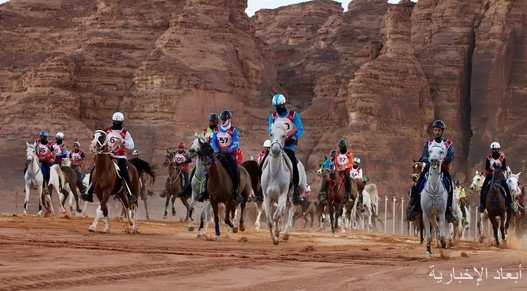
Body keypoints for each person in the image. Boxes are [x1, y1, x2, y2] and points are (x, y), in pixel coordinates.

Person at [407, 120, 456, 223]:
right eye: (435, 130)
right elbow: (424, 155)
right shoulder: (428, 143)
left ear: (442, 131)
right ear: (433, 131)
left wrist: (443, 161)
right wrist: (426, 159)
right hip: (429, 168)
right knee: (418, 183)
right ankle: (414, 207)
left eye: (439, 130)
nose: (437, 132)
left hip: (442, 168)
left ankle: (448, 211)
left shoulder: (448, 143)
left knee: (450, 186)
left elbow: (451, 155)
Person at [82, 112, 137, 204]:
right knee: (95, 170)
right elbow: (100, 141)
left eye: (118, 122)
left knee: (124, 172)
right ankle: (89, 192)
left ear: (121, 122)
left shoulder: (125, 133)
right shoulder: (107, 131)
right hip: (108, 154)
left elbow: (131, 145)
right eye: (115, 121)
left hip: (120, 156)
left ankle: (130, 194)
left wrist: (123, 141)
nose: (116, 123)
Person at [267, 93, 305, 205]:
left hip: (288, 146)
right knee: (264, 161)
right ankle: (261, 188)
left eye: (280, 106)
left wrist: (292, 137)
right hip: (276, 145)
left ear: (284, 104)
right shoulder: (272, 117)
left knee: (293, 163)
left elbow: (300, 129)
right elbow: (270, 131)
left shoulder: (293, 115)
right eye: (276, 107)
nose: (278, 109)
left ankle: (296, 190)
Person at [211, 110, 242, 204]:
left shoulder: (233, 130)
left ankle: (236, 192)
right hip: (218, 154)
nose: (222, 121)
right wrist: (217, 151)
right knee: (208, 168)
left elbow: (236, 144)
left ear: (229, 120)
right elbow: (213, 142)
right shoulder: (216, 130)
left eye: (224, 119)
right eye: (221, 119)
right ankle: (205, 190)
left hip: (230, 155)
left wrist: (227, 151)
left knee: (235, 171)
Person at [478, 142, 515, 213]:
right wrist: (493, 171)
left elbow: (504, 167)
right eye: (493, 149)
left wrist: (499, 171)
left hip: (499, 175)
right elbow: (486, 167)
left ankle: (510, 203)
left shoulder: (502, 157)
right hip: (490, 175)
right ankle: (482, 205)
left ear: (498, 149)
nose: (494, 151)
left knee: (506, 187)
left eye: (496, 149)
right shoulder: (489, 158)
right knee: (483, 188)